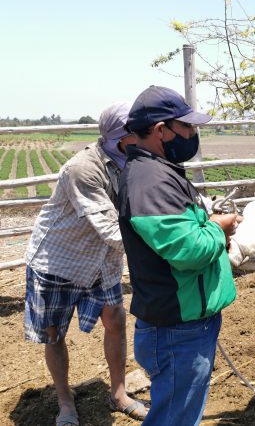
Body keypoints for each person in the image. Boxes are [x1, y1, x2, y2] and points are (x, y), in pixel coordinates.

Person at [118, 86, 241, 426]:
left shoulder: (158, 171)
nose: (193, 134)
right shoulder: (150, 182)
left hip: (185, 323)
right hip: (178, 329)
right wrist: (219, 228)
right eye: (187, 127)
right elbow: (189, 251)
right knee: (173, 420)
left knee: (180, 415)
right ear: (161, 130)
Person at [24, 103, 147, 426]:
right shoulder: (83, 169)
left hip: (102, 262)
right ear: (122, 137)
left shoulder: (135, 162)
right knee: (54, 333)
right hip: (59, 261)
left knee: (116, 320)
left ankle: (118, 393)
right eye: (139, 132)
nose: (146, 137)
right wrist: (168, 244)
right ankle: (65, 402)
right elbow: (109, 229)